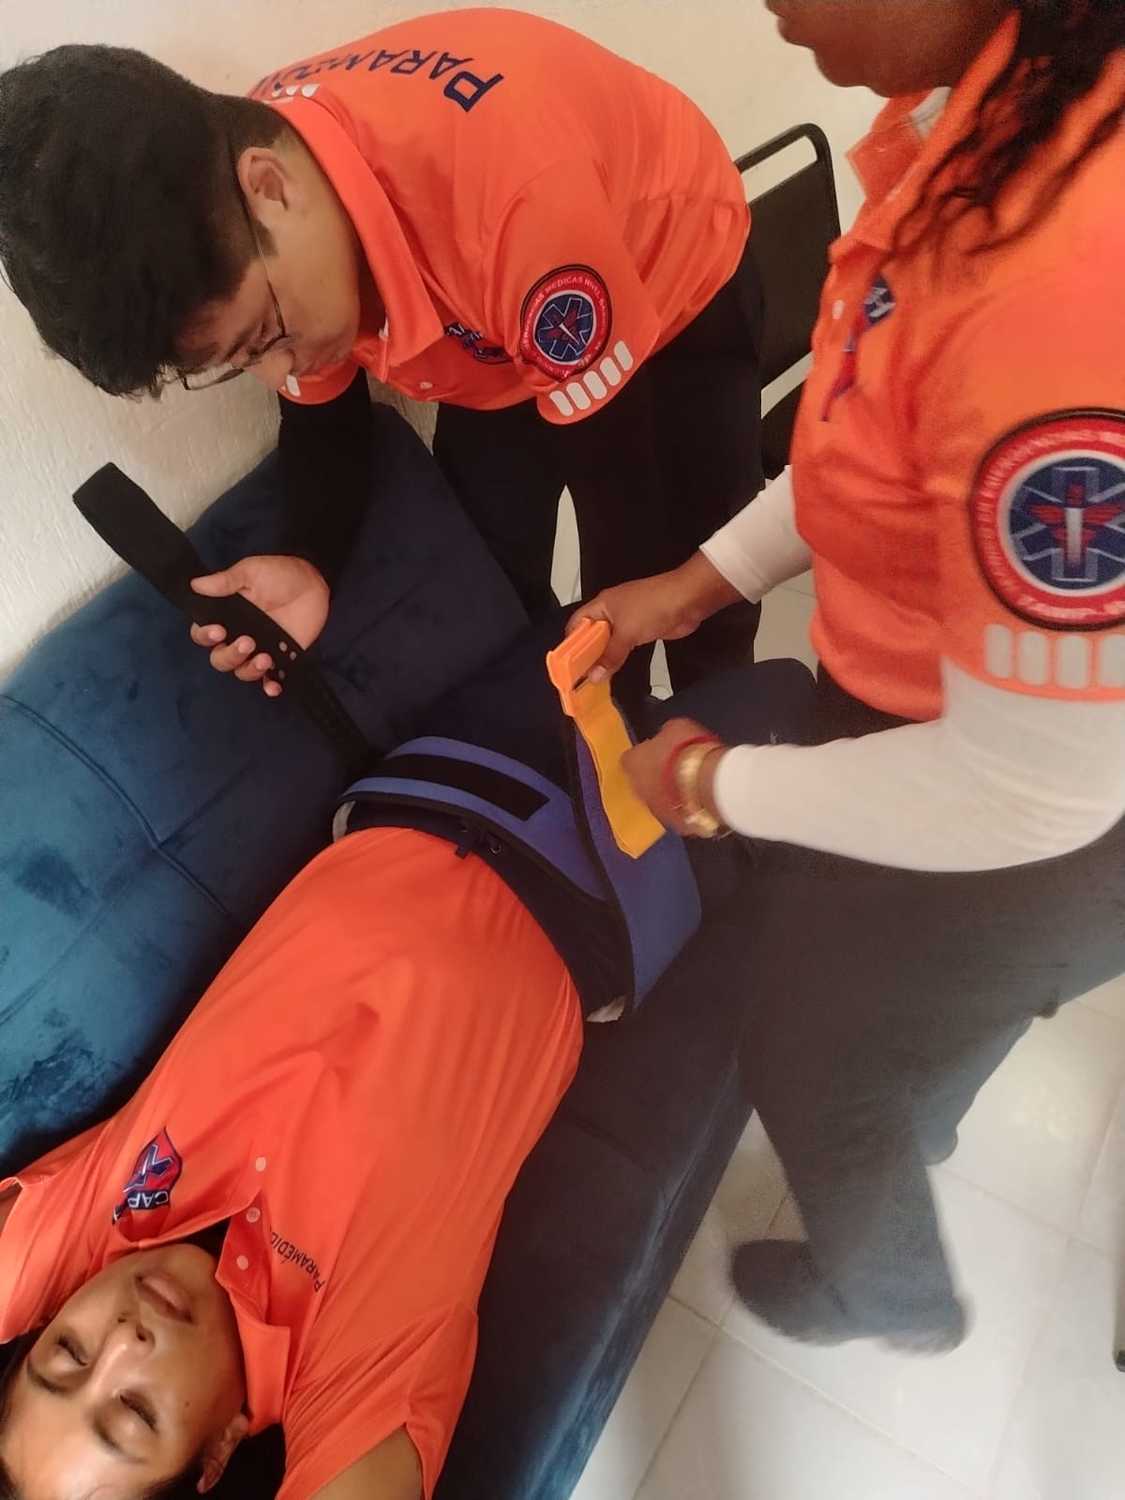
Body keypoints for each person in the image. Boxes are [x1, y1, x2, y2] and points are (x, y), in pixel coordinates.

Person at [572, 0, 1125, 1349]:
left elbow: (1032, 792)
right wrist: (694, 584)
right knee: (918, 1014)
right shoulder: (977, 125)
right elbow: (869, 429)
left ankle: (894, 1297)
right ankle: (917, 1111)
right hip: (976, 726)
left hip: (1044, 795)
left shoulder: (1052, 285)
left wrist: (714, 782)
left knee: (805, 1049)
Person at [0, 9, 763, 708]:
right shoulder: (251, 174)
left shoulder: (513, 213)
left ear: (270, 188)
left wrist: (614, 704)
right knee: (493, 567)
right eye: (238, 360)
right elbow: (324, 420)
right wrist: (307, 559)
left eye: (267, 335)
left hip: (668, 280)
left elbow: (618, 498)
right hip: (493, 313)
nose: (279, 374)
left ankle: (729, 721)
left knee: (700, 568)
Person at [0, 803, 584, 1500]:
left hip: (425, 780)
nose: (123, 1340)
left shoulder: (83, 1231)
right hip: (596, 870)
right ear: (216, 1456)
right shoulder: (348, 1373)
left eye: (67, 1352)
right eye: (134, 1411)